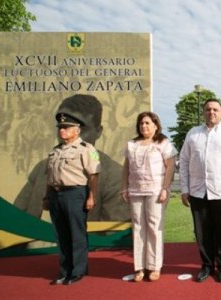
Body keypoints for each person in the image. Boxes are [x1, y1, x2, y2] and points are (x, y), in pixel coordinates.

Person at [15, 94, 128, 222]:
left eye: (80, 130)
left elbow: (110, 239)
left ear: (98, 132)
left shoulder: (116, 179)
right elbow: (14, 220)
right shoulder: (42, 168)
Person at [179, 99, 221, 283]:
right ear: (204, 112)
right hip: (198, 191)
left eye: (215, 109)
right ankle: (207, 266)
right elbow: (184, 161)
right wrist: (184, 189)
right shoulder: (193, 134)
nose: (212, 112)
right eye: (208, 109)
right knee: (202, 233)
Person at [44, 111, 100, 285]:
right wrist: (46, 197)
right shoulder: (55, 151)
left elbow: (94, 175)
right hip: (55, 195)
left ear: (77, 130)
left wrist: (91, 196)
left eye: (66, 127)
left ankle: (78, 271)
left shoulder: (87, 149)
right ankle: (64, 271)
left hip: (75, 194)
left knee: (77, 233)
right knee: (61, 235)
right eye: (60, 127)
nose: (62, 130)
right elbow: (50, 176)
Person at [121, 112, 177, 282]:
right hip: (135, 190)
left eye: (147, 123)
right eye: (141, 123)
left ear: (155, 125)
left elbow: (170, 167)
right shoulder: (131, 145)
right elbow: (126, 168)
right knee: (138, 227)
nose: (144, 126)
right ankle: (139, 267)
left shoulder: (163, 143)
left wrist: (165, 188)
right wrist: (124, 188)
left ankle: (154, 266)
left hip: (156, 190)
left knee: (154, 227)